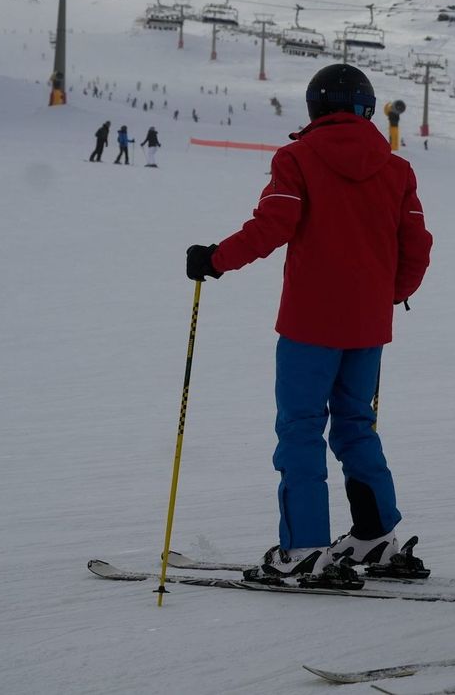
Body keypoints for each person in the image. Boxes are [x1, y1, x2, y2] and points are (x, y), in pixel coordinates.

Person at [185, 63, 432, 584]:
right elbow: (417, 245)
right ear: (367, 109)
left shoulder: (297, 157)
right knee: (355, 425)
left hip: (310, 323)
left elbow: (274, 224)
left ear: (315, 109)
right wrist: (391, 295)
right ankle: (375, 537)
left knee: (300, 428)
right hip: (367, 327)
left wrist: (215, 260)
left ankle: (304, 548)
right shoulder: (397, 170)